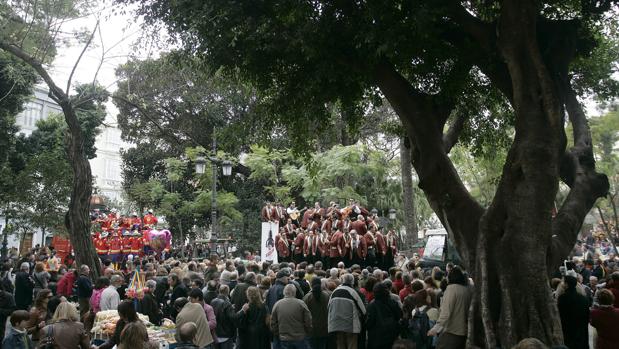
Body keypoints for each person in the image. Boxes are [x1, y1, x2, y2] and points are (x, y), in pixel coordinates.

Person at [427, 266, 472, 349]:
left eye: (448, 274)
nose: (446, 277)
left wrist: (435, 329)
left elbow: (446, 312)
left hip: (452, 331)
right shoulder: (467, 289)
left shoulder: (451, 289)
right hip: (464, 332)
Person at [328, 273, 366, 349]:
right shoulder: (353, 292)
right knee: (352, 345)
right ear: (352, 282)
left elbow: (328, 307)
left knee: (340, 345)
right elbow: (363, 311)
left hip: (336, 324)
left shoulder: (334, 292)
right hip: (350, 325)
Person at [270, 284, 313, 349]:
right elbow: (308, 320)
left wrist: (278, 333)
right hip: (300, 338)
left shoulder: (277, 304)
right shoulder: (301, 303)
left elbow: (273, 323)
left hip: (284, 338)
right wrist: (307, 331)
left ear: (284, 292)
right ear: (294, 292)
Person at [557, 272, 590, 349]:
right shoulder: (583, 298)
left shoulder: (562, 298)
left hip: (568, 328)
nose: (562, 284)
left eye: (563, 282)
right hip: (581, 328)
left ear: (567, 284)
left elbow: (561, 314)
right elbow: (587, 315)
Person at [366, 282, 402, 349]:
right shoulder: (393, 302)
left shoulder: (371, 305)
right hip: (391, 336)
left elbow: (368, 323)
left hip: (376, 338)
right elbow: (399, 315)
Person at [303, 277, 330, 349]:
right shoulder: (326, 296)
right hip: (324, 328)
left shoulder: (307, 297)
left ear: (311, 285)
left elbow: (303, 314)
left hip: (311, 329)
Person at [211, 284, 236, 349]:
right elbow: (232, 317)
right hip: (225, 334)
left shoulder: (213, 301)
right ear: (227, 292)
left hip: (215, 333)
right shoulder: (227, 303)